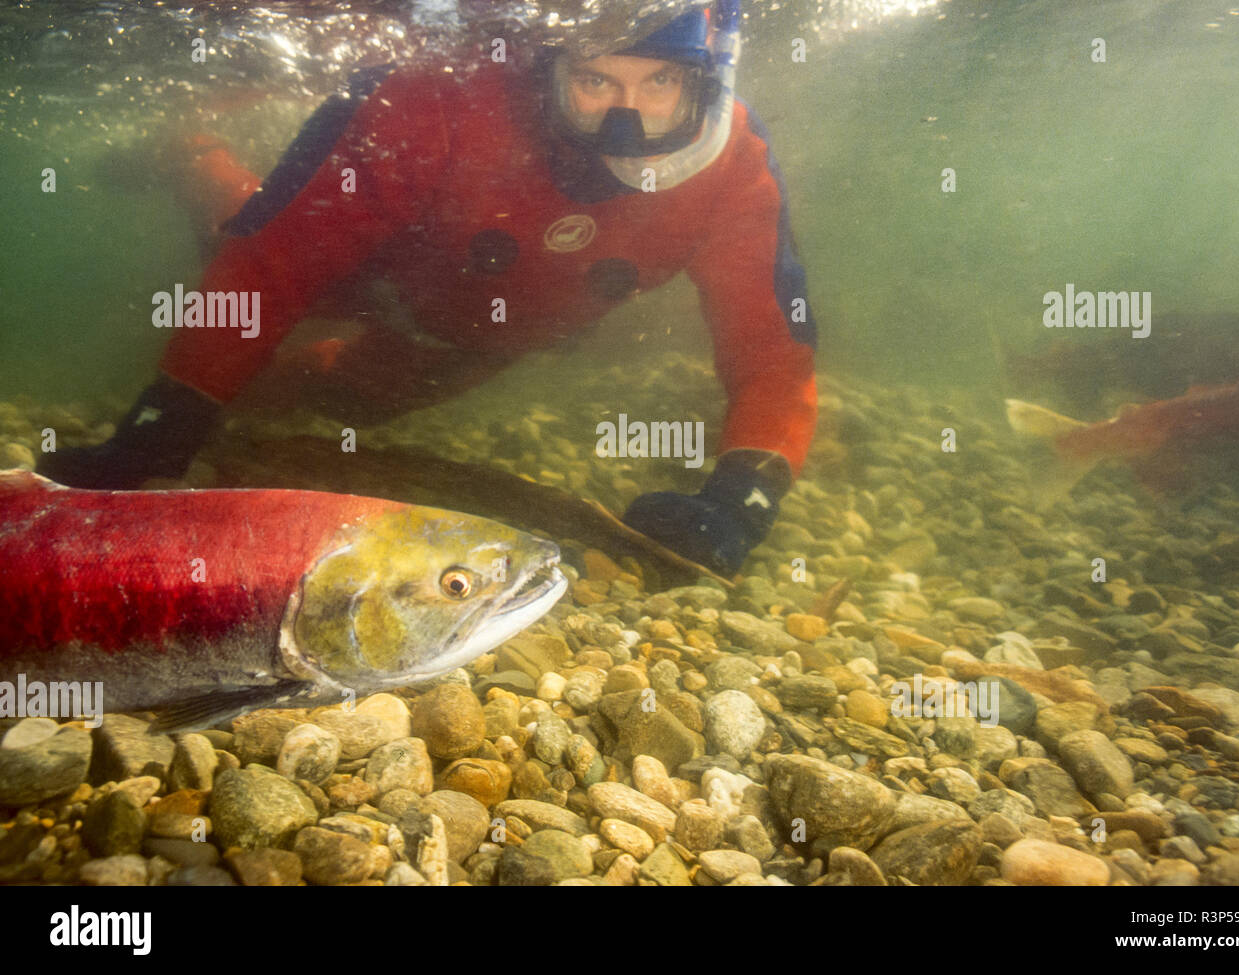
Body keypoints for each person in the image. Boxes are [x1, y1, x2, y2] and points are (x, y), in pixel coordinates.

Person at [38, 1, 818, 575]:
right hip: (376, 265)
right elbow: (273, 263)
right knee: (236, 236)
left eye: (659, 85)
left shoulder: (734, 169)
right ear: (549, 62)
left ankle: (240, 399)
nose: (625, 119)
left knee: (353, 403)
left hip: (481, 333)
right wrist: (161, 423)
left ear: (707, 81)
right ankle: (189, 148)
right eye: (594, 80)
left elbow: (771, 347)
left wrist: (738, 500)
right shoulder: (438, 97)